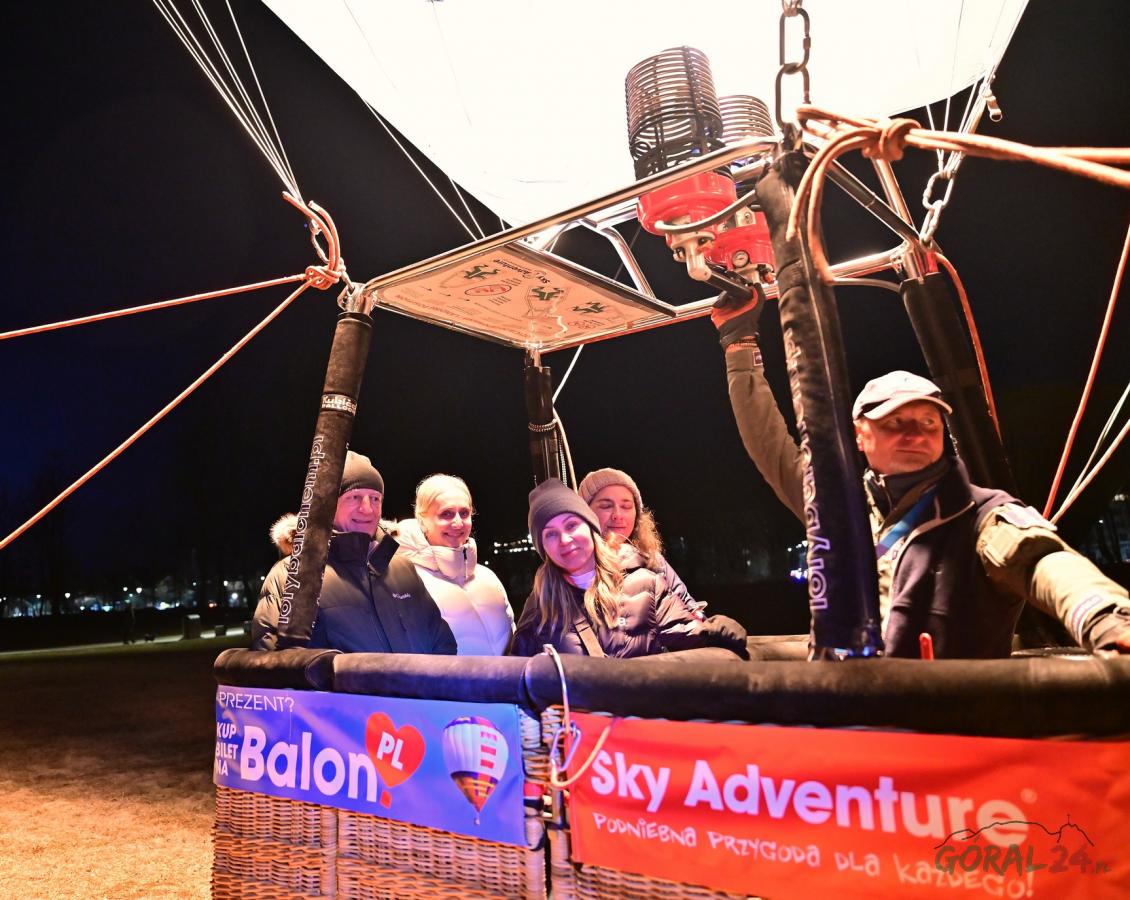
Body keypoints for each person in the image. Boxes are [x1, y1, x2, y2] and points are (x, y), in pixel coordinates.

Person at [712, 293, 1130, 658]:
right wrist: (738, 343)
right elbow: (768, 443)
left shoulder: (981, 516)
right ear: (860, 435)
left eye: (929, 422)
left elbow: (1044, 562)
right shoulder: (836, 509)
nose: (915, 434)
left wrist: (1108, 620)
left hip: (946, 717)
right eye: (895, 422)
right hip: (850, 711)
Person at [510, 478, 747, 657]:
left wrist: (714, 633)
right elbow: (522, 678)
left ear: (591, 528)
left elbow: (686, 635)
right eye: (550, 534)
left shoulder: (646, 584)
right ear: (542, 547)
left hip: (642, 709)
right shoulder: (540, 606)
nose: (564, 539)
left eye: (571, 525)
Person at [252, 451, 457, 654]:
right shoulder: (294, 575)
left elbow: (442, 642)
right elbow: (279, 658)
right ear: (330, 505)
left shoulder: (402, 569)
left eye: (375, 499)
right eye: (355, 497)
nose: (367, 509)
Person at [394, 473, 515, 655]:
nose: (458, 523)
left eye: (464, 513)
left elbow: (515, 644)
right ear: (422, 521)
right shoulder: (409, 584)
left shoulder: (488, 577)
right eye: (446, 514)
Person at [578, 467, 704, 619]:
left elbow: (688, 609)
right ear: (584, 512)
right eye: (606, 506)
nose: (618, 515)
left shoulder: (653, 561)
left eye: (626, 506)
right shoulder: (574, 563)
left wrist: (700, 618)